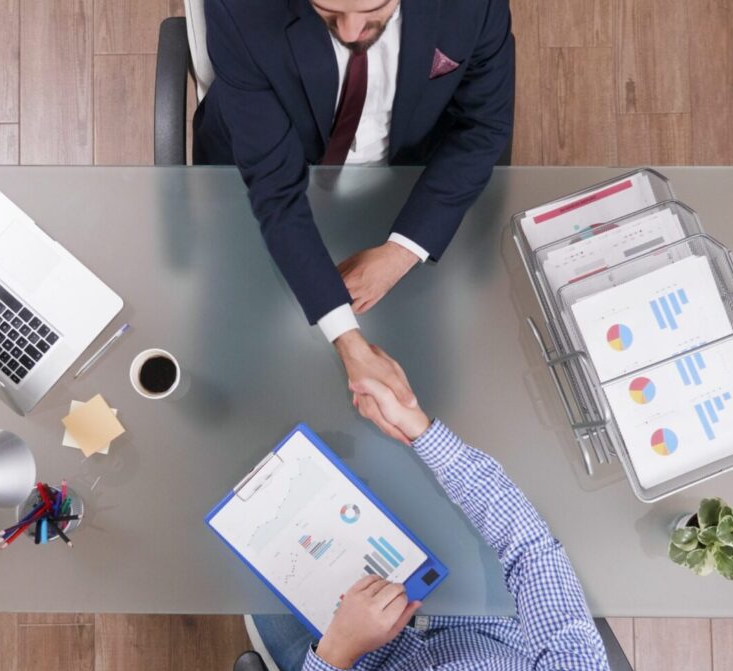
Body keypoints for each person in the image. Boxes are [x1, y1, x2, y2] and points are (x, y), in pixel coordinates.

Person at [253, 363, 630, 671]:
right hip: (472, 614)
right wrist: (419, 429)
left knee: (252, 499)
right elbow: (534, 555)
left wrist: (337, 653)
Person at [194, 0, 515, 440]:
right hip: (263, 178)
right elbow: (274, 190)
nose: (348, 32)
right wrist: (346, 337)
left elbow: (483, 128)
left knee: (436, 390)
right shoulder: (241, 9)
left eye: (372, 9)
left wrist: (402, 252)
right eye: (327, 9)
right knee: (233, 386)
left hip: (408, 192)